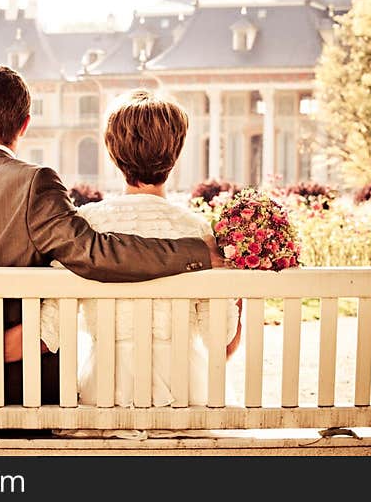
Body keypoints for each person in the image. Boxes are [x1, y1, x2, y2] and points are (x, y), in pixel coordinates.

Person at [0, 64, 223, 405]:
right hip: (26, 397)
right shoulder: (34, 184)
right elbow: (95, 254)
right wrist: (198, 253)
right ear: (25, 124)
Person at [39, 89, 242, 406]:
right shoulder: (198, 231)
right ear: (176, 153)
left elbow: (49, 333)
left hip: (107, 396)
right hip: (185, 397)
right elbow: (222, 343)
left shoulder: (85, 229)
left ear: (112, 152)